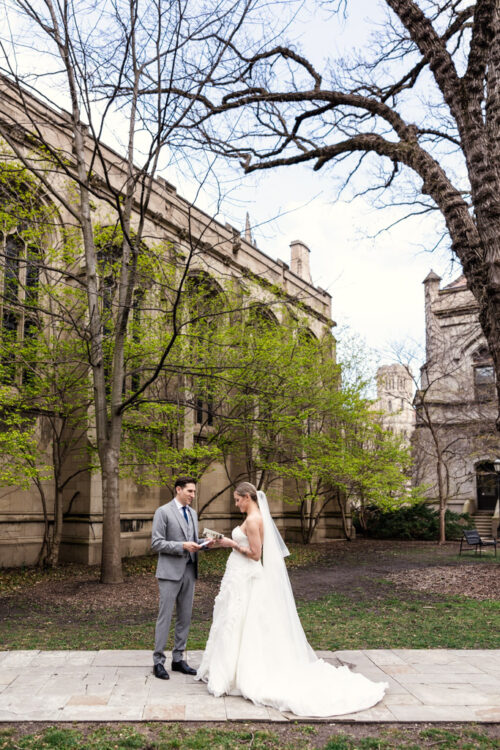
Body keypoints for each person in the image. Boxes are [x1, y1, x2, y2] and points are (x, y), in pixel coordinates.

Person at [196, 481, 388, 717]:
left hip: (247, 577)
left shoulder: (255, 520)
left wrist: (230, 543)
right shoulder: (252, 517)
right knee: (232, 622)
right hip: (238, 576)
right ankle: (228, 670)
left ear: (248, 497)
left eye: (237, 499)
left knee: (241, 622)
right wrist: (226, 542)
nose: (236, 504)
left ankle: (239, 673)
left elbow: (256, 556)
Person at [151, 476, 203, 680]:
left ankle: (178, 659)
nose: (193, 495)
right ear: (178, 490)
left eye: (194, 492)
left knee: (185, 616)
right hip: (169, 573)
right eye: (190, 491)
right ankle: (158, 661)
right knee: (165, 617)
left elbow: (193, 539)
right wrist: (181, 546)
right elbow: (156, 543)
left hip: (190, 570)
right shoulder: (163, 512)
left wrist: (205, 542)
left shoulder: (193, 513)